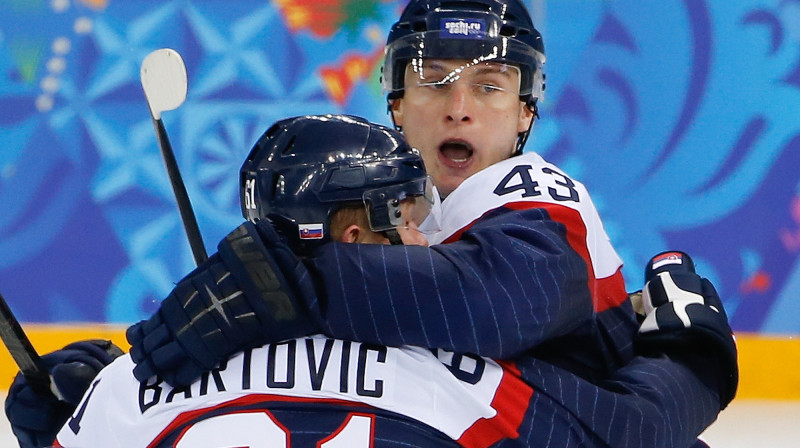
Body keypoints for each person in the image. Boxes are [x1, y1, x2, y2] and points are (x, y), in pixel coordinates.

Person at [124, 0, 737, 443]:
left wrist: (296, 282)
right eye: (433, 79)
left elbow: (501, 300)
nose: (460, 108)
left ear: (526, 114)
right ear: (395, 101)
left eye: (490, 86)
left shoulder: (537, 194)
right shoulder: (383, 210)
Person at [8, 114, 731, 448]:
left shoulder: (138, 379)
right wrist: (693, 356)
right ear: (356, 238)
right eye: (409, 218)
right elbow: (629, 434)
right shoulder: (459, 376)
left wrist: (62, 416)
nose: (426, 238)